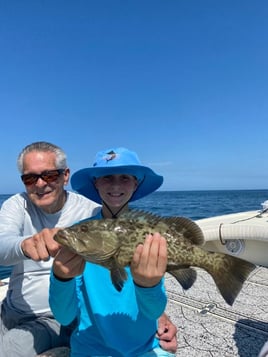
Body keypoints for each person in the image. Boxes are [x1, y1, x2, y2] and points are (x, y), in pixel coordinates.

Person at [49, 147, 177, 356]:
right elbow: (64, 317)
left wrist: (149, 285)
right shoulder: (80, 235)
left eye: (125, 178)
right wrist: (61, 278)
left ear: (136, 184)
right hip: (89, 350)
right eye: (107, 177)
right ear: (95, 183)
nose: (116, 185)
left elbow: (153, 311)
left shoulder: (151, 236)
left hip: (144, 349)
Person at [0, 141, 101, 356]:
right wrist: (25, 245)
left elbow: (119, 264)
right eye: (30, 178)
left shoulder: (91, 212)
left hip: (52, 319)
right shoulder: (16, 204)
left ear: (65, 175)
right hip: (9, 311)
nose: (39, 184)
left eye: (49, 175)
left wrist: (155, 315)